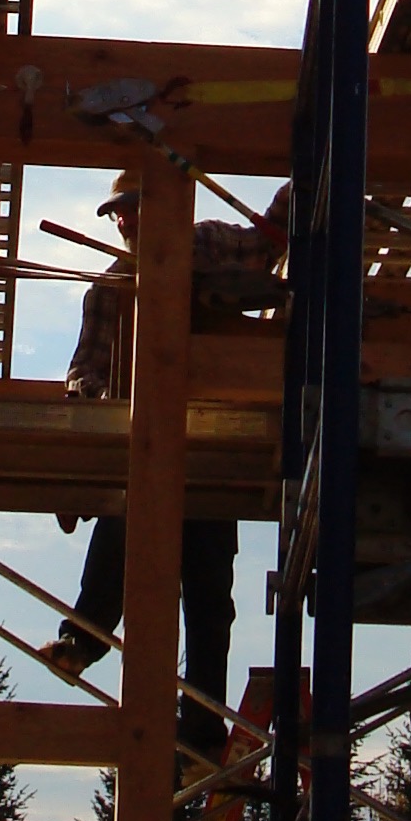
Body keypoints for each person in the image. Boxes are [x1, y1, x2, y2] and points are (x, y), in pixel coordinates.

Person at [38, 169, 283, 757]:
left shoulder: (210, 244)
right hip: (146, 444)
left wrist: (307, 178)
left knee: (206, 597)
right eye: (116, 215)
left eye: (129, 209)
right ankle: (81, 642)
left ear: (163, 205)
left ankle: (200, 726)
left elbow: (271, 243)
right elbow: (85, 372)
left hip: (213, 447)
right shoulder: (109, 290)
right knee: (127, 531)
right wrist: (88, 410)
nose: (122, 223)